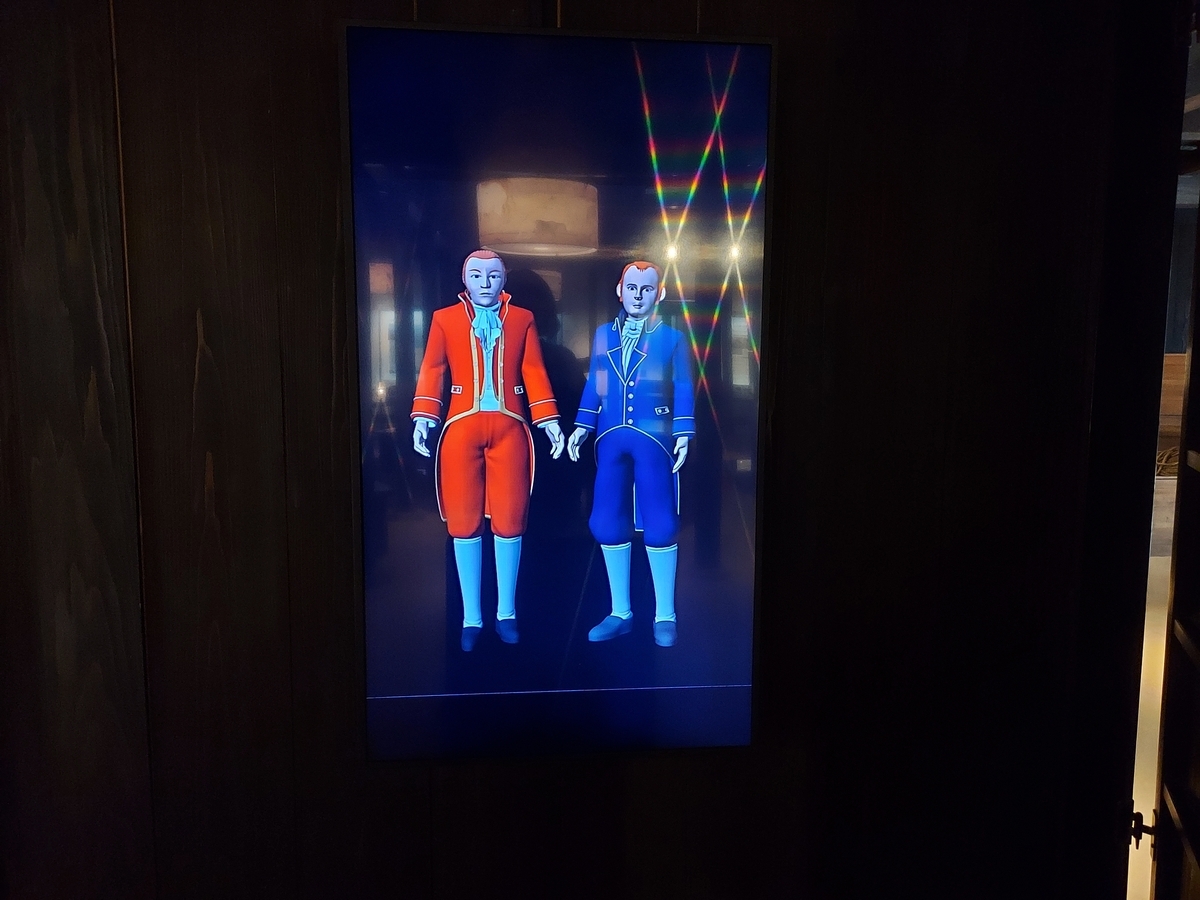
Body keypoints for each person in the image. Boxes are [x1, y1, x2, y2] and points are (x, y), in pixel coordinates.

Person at [412, 250, 565, 651]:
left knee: (510, 520)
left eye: (493, 275)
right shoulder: (444, 319)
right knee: (463, 523)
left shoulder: (522, 319)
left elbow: (534, 370)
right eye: (477, 275)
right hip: (460, 427)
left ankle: (506, 612)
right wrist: (424, 417)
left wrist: (548, 419)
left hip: (511, 427)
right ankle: (471, 617)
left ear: (503, 279)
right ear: (465, 279)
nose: (485, 282)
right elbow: (433, 368)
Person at [567, 261, 694, 647]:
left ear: (660, 294)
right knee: (607, 519)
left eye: (647, 289)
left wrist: (683, 432)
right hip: (609, 437)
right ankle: (620, 611)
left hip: (654, 437)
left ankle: (665, 614)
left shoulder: (671, 338)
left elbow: (684, 385)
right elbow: (597, 381)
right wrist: (583, 424)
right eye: (632, 288)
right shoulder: (604, 335)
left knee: (660, 520)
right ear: (620, 291)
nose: (639, 296)